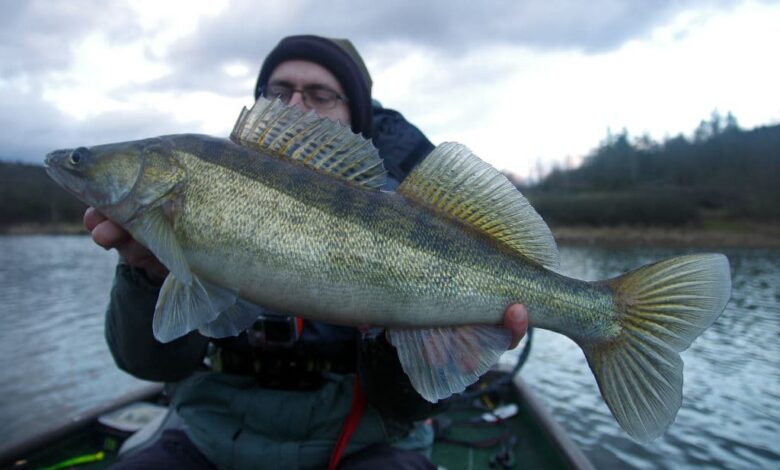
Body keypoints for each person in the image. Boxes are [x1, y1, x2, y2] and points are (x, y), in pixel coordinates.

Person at [85, 35, 529, 469]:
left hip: (361, 442)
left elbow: (408, 405)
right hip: (209, 432)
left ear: (356, 116)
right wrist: (146, 277)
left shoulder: (409, 215)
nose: (296, 105)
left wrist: (403, 340)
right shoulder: (202, 198)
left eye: (320, 94)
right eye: (279, 92)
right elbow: (144, 362)